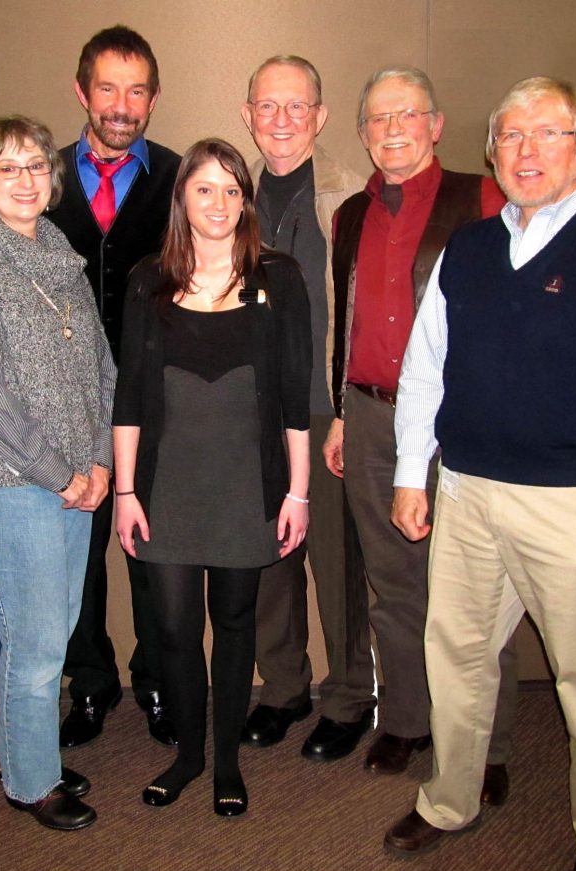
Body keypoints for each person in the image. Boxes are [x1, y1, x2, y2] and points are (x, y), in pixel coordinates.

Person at [385, 76, 576, 871]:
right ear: (492, 152)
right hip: (468, 493)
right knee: (453, 658)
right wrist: (414, 474)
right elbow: (425, 371)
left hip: (573, 504)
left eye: (547, 134)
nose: (526, 150)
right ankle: (450, 798)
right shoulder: (470, 247)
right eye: (511, 136)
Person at [327, 66, 517, 796]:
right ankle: (404, 719)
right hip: (374, 418)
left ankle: (487, 744)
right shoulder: (350, 214)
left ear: (435, 124)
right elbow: (348, 322)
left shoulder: (484, 197)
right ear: (363, 132)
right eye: (378, 118)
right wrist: (343, 410)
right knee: (394, 581)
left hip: (461, 419)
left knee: (476, 589)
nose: (393, 129)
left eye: (408, 114)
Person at [113, 139, 312, 816]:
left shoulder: (278, 279)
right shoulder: (147, 279)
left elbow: (293, 395)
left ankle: (226, 760)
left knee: (233, 622)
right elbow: (130, 397)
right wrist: (124, 491)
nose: (219, 203)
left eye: (232, 190)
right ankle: (188, 756)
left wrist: (297, 491)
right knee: (172, 628)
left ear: (246, 202)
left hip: (246, 484)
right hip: (166, 484)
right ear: (182, 200)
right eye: (205, 189)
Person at [0, 116, 116, 832]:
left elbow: (101, 364)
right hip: (14, 486)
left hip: (75, 477)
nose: (26, 180)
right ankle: (31, 782)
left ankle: (23, 751)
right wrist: (59, 473)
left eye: (37, 165)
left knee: (53, 631)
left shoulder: (59, 251)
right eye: (7, 169)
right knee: (35, 642)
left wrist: (96, 458)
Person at [47, 25, 181, 748]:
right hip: (65, 409)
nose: (121, 105)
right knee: (80, 557)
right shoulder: (38, 178)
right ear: (82, 92)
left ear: (153, 99)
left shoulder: (180, 179)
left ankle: (157, 679)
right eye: (107, 88)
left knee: (152, 554)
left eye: (136, 91)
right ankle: (90, 683)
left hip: (152, 405)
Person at [239, 55, 372, 760]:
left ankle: (350, 694)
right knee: (269, 555)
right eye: (268, 106)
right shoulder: (228, 196)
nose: (282, 121)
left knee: (336, 560)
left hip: (324, 407)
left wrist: (349, 406)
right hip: (255, 409)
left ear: (320, 116)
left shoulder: (350, 198)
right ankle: (283, 686)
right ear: (248, 115)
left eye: (298, 107)